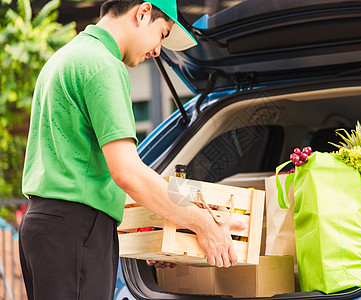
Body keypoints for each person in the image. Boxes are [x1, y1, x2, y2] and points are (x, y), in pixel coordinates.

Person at [19, 0, 245, 299]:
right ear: (143, 12)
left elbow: (90, 172)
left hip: (46, 228)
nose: (157, 51)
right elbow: (128, 173)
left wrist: (158, 231)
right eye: (163, 34)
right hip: (76, 230)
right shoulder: (103, 65)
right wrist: (203, 224)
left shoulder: (67, 58)